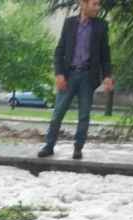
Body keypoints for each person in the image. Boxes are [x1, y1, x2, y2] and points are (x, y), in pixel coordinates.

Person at [38, 0, 114, 160]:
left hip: (88, 77)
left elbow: (105, 55)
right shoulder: (69, 23)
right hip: (68, 76)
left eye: (99, 4)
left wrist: (107, 76)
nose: (98, 8)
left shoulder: (101, 26)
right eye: (94, 4)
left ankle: (78, 149)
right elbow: (59, 51)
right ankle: (49, 146)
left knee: (84, 115)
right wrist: (59, 74)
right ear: (83, 4)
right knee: (58, 113)